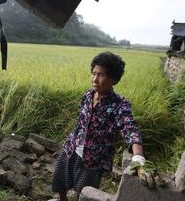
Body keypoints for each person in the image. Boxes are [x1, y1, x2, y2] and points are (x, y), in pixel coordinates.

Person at [51, 52, 145, 201]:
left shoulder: (119, 104)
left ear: (113, 79)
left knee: (85, 192)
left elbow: (130, 127)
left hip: (94, 158)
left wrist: (138, 155)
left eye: (101, 75)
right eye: (93, 73)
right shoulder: (88, 95)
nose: (94, 79)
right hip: (72, 146)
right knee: (60, 179)